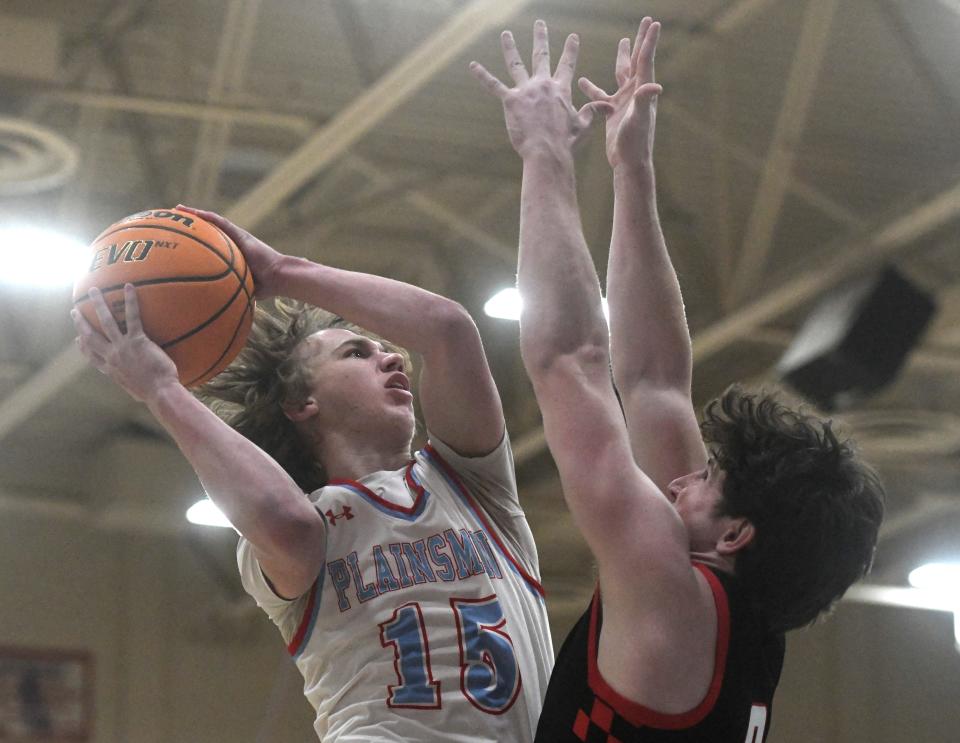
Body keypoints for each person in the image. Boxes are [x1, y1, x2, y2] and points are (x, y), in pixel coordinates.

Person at [472, 19, 884, 742]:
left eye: (709, 478)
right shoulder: (740, 620)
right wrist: (632, 170)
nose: (680, 480)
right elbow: (656, 379)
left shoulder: (670, 598)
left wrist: (544, 154)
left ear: (736, 531)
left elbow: (569, 357)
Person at [70, 205, 553, 742]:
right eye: (357, 353)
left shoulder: (470, 483)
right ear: (302, 403)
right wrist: (162, 390)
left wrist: (282, 272)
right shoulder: (296, 524)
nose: (392, 360)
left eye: (388, 351)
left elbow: (448, 329)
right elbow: (287, 521)